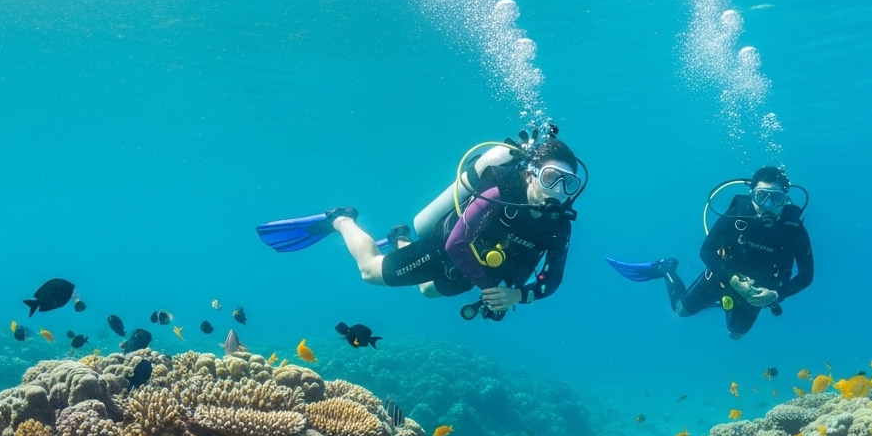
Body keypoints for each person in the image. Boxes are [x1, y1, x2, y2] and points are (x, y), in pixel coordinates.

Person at [256, 130, 586, 320]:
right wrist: (491, 289)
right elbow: (456, 243)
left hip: (475, 274)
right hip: (444, 250)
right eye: (550, 178)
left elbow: (552, 278)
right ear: (531, 174)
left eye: (567, 184)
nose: (557, 191)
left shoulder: (560, 225)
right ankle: (341, 219)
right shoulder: (501, 191)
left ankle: (399, 238)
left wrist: (516, 295)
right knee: (371, 272)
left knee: (427, 292)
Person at [607, 166, 812, 339]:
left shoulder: (794, 230)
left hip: (759, 290)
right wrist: (731, 279)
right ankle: (665, 268)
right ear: (752, 196)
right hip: (721, 275)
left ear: (785, 199)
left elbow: (806, 275)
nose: (766, 205)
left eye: (775, 198)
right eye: (760, 196)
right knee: (681, 311)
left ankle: (727, 304)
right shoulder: (737, 216)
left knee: (735, 334)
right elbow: (707, 250)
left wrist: (777, 294)